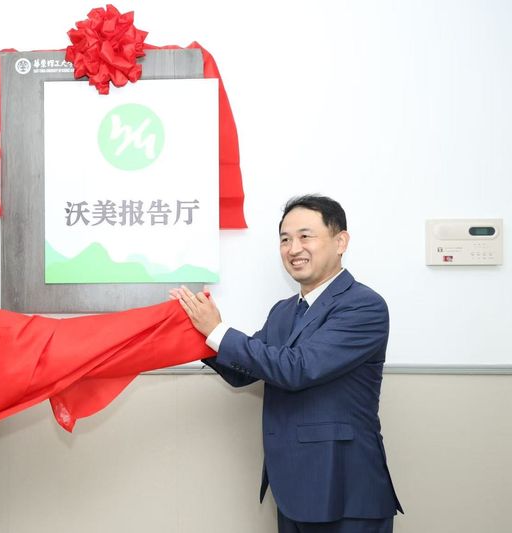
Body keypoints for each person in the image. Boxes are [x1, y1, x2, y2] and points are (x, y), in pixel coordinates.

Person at [172, 195, 402, 533]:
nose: (294, 249)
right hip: (292, 487)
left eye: (305, 236)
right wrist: (197, 335)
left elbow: (297, 368)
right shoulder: (283, 310)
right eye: (285, 239)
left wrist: (217, 331)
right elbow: (244, 373)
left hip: (344, 488)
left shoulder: (363, 306)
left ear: (341, 242)